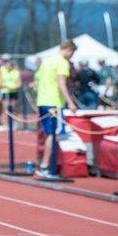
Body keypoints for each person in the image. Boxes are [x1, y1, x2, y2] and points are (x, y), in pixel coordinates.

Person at [35, 39, 78, 178]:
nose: (71, 56)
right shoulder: (62, 63)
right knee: (52, 134)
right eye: (72, 53)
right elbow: (61, 84)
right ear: (69, 50)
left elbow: (37, 80)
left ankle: (45, 164)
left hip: (42, 101)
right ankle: (45, 166)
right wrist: (70, 102)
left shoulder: (47, 61)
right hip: (53, 103)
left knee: (48, 133)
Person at [0, 54, 22, 119]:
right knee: (5, 109)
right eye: (5, 61)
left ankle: (14, 124)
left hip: (14, 92)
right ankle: (5, 125)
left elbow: (19, 83)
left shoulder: (16, 70)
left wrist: (14, 87)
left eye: (7, 61)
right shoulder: (1, 69)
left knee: (14, 109)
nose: (6, 63)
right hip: (5, 92)